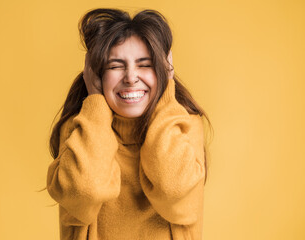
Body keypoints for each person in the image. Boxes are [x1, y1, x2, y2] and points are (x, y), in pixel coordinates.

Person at [47, 8, 212, 240]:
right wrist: (95, 100)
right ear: (95, 74)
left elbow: (172, 192)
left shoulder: (185, 127)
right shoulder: (79, 131)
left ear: (164, 69)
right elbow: (85, 191)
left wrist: (166, 89)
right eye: (115, 66)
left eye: (145, 64)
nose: (131, 77)